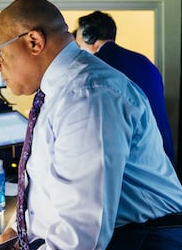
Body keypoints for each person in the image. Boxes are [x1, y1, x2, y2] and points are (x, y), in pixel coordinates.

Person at [0, 0, 182, 250]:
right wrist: (18, 232)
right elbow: (52, 186)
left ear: (34, 42)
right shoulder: (62, 91)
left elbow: (82, 235)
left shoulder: (87, 95)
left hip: (145, 244)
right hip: (125, 237)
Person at [74, 11, 176, 164]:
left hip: (133, 160)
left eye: (79, 42)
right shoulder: (144, 62)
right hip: (161, 156)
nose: (79, 48)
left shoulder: (94, 67)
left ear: (89, 36)